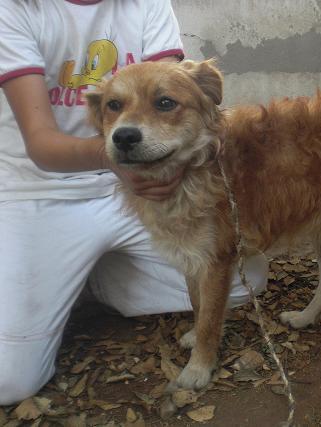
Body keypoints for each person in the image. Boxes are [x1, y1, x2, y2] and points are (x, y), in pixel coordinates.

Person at [0, 0, 268, 406]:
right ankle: (70, 271)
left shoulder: (146, 3)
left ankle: (96, 277)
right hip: (42, 191)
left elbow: (172, 91)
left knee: (243, 283)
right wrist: (113, 159)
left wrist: (167, 157)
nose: (128, 120)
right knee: (10, 380)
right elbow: (40, 145)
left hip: (145, 188)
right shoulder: (15, 9)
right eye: (116, 106)